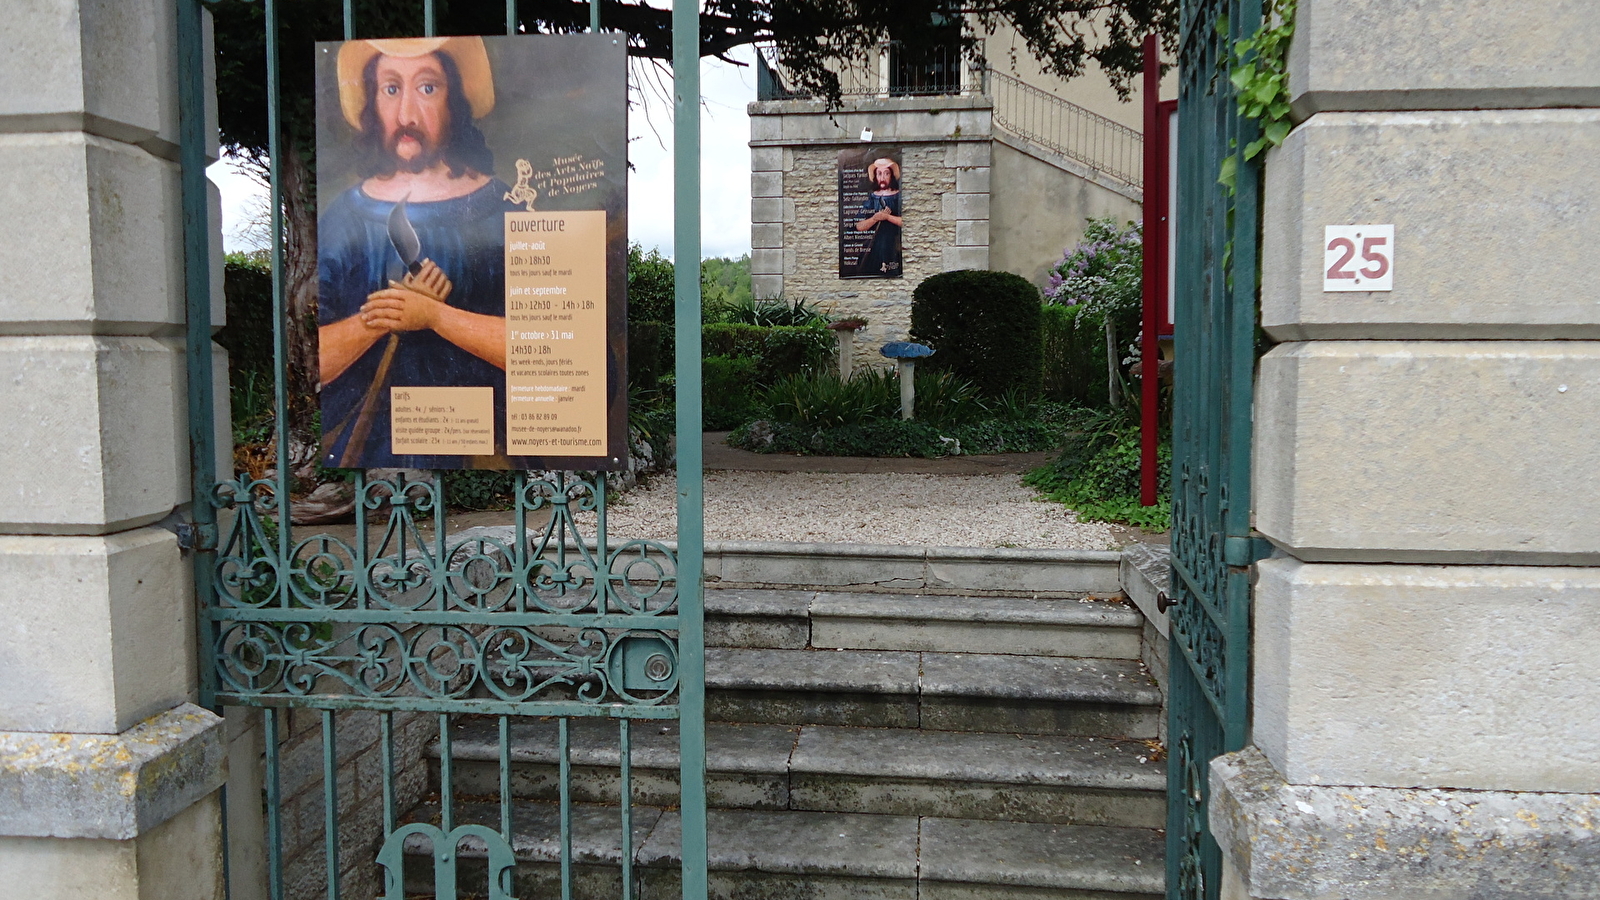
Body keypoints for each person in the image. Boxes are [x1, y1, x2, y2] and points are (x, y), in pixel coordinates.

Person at [318, 36, 519, 468]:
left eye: (427, 87)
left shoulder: (505, 208)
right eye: (391, 89)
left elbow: (551, 346)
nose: (407, 114)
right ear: (372, 102)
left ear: (456, 100)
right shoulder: (344, 219)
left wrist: (434, 316)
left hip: (486, 452)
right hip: (373, 456)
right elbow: (312, 360)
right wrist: (385, 316)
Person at [853, 157, 903, 277]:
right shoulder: (872, 199)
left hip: (893, 246)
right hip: (874, 247)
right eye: (879, 174)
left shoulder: (898, 197)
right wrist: (875, 218)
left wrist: (887, 217)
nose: (882, 177)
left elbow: (908, 222)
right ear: (875, 176)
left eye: (886, 173)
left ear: (891, 175)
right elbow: (859, 226)